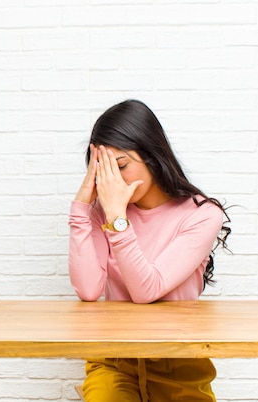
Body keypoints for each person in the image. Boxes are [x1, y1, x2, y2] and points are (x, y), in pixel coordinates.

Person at [68, 99, 231, 402]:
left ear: (152, 155)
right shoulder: (103, 211)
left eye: (121, 166)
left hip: (178, 361)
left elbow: (147, 289)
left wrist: (117, 219)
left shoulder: (202, 215)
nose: (113, 181)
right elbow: (89, 290)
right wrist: (81, 208)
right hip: (114, 359)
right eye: (103, 171)